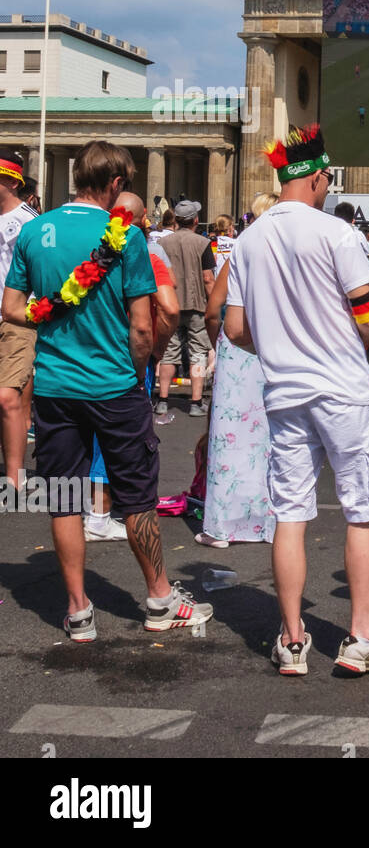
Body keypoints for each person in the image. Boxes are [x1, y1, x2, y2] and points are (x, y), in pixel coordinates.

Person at [3, 141, 212, 641]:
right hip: (114, 385)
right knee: (136, 496)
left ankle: (77, 610)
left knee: (64, 496)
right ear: (116, 183)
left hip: (55, 386)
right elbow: (144, 326)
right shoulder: (124, 237)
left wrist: (44, 314)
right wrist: (137, 371)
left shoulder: (34, 230)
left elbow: (11, 308)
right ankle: (160, 598)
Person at [225, 124, 369, 676]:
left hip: (284, 390)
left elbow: (233, 329)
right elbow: (367, 314)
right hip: (343, 388)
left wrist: (278, 342)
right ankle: (361, 636)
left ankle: (293, 639)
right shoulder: (335, 233)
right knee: (363, 508)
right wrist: (361, 337)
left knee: (292, 512)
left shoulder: (248, 239)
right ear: (319, 177)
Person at [85, 192, 180, 542]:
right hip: (128, 354)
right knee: (121, 435)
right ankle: (101, 513)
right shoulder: (147, 251)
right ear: (143, 220)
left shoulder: (89, 246)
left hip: (85, 351)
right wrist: (157, 348)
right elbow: (169, 308)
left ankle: (91, 510)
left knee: (87, 433)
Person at [200, 191, 278, 548]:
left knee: (229, 437)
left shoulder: (244, 249)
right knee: (269, 439)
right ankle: (266, 521)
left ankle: (222, 526)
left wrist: (220, 343)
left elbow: (212, 310)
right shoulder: (284, 255)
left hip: (237, 348)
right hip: (272, 348)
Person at [0, 145, 38, 492]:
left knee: (7, 397)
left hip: (15, 318)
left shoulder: (30, 222)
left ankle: (13, 479)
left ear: (10, 182)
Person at [157, 199, 215, 419]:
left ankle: (162, 400)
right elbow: (208, 278)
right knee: (198, 352)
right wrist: (214, 303)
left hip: (170, 302)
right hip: (195, 303)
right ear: (196, 220)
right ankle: (196, 401)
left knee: (169, 353)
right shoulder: (202, 243)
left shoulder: (164, 243)